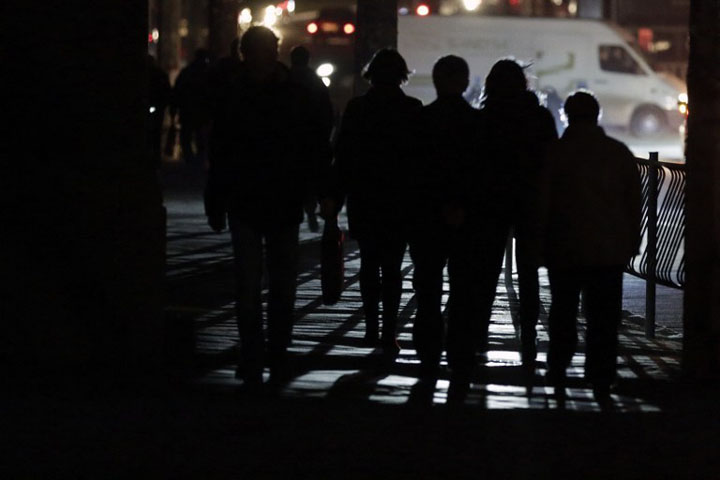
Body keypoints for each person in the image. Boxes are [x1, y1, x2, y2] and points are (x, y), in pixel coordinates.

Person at [204, 26, 324, 391]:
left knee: (260, 281)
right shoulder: (291, 93)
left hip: (258, 195)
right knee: (266, 281)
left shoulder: (235, 94)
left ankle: (264, 348)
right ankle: (268, 348)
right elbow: (306, 145)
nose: (271, 54)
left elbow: (222, 150)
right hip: (268, 196)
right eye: (266, 49)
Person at [447, 59, 557, 396]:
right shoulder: (539, 118)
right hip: (528, 204)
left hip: (488, 205)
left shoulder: (483, 119)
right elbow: (550, 162)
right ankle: (529, 335)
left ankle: (478, 335)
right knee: (528, 273)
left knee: (485, 272)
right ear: (524, 85)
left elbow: (470, 166)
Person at [539, 91, 642, 408]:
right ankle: (600, 374)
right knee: (603, 317)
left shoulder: (556, 153)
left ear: (567, 115)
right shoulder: (618, 153)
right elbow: (633, 204)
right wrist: (631, 242)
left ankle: (558, 366)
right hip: (608, 250)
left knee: (563, 310)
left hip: (565, 246)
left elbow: (543, 203)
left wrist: (539, 242)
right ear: (597, 116)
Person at [323, 48, 422, 361]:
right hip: (399, 199)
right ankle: (389, 332)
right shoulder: (412, 109)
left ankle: (370, 325)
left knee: (369, 263)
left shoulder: (357, 108)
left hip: (365, 197)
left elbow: (343, 157)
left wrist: (334, 198)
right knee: (393, 268)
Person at [407, 55, 480, 380]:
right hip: (466, 219)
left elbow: (412, 174)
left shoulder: (420, 121)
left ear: (436, 81)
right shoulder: (477, 123)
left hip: (426, 216)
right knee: (463, 288)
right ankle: (460, 351)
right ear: (464, 83)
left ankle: (427, 348)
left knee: (427, 285)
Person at [289, 45, 334, 233]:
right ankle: (314, 209)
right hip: (314, 139)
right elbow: (327, 112)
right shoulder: (315, 82)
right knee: (314, 179)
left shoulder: (285, 79)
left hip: (292, 140)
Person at [172, 48, 212, 165]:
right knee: (201, 138)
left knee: (187, 137)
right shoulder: (207, 73)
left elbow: (178, 91)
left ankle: (190, 160)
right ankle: (198, 160)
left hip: (188, 111)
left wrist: (174, 109)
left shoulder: (187, 72)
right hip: (201, 112)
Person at [146, 54, 171, 168]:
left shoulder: (157, 75)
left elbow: (166, 91)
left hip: (156, 106)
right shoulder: (159, 74)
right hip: (156, 106)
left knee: (155, 133)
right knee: (156, 133)